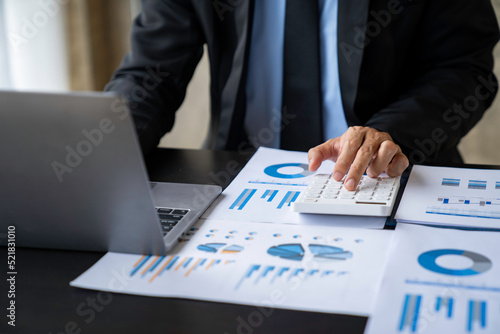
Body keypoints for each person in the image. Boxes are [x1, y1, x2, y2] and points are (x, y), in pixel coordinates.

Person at [105, 0, 499, 190]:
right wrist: (101, 144)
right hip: (234, 181)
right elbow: (151, 74)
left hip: (387, 181)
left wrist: (388, 132)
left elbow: (464, 68)